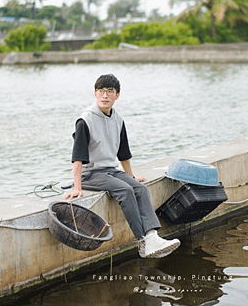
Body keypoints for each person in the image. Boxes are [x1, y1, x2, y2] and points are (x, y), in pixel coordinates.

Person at [63, 74, 180, 258]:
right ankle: (142, 241)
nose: (105, 95)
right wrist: (77, 187)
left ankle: (152, 236)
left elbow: (123, 154)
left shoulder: (118, 119)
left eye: (110, 91)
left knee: (140, 189)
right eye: (101, 91)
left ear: (117, 95)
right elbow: (77, 157)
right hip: (91, 174)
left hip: (111, 171)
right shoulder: (85, 120)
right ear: (95, 94)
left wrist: (131, 176)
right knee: (125, 191)